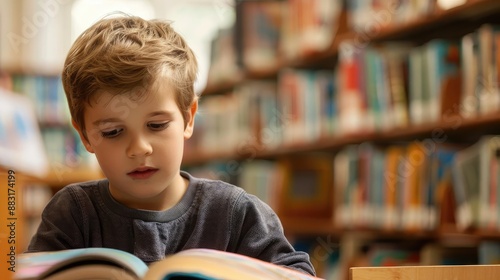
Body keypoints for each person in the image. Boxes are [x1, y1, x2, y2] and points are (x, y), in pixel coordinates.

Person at [27, 14, 316, 276]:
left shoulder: (235, 212)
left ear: (188, 118)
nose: (140, 148)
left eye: (156, 126)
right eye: (113, 132)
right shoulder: (73, 213)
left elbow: (297, 274)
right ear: (85, 136)